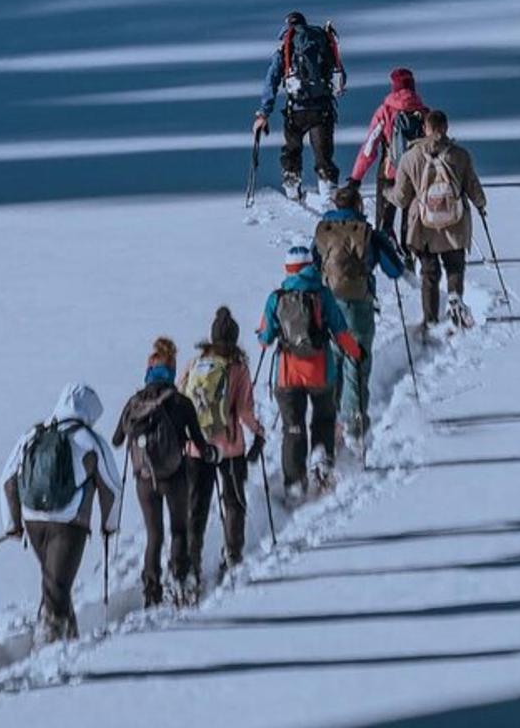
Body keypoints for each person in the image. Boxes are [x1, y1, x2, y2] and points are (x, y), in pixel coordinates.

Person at [0, 383, 122, 644]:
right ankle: (51, 646)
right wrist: (110, 525)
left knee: (54, 582)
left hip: (33, 520)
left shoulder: (32, 435)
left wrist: (13, 524)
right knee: (58, 586)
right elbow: (111, 486)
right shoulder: (89, 439)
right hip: (69, 522)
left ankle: (66, 640)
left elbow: (7, 480)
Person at [112, 338, 219, 606]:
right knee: (179, 529)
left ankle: (151, 590)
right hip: (175, 475)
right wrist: (209, 454)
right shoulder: (181, 402)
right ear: (172, 372)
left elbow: (116, 440)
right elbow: (199, 442)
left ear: (148, 372)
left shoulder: (135, 402)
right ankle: (180, 581)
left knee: (154, 535)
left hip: (144, 480)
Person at [257, 246, 363, 499]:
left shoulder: (276, 297)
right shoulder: (323, 294)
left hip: (287, 374)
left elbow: (265, 339)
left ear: (288, 269)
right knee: (324, 418)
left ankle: (294, 483)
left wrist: (265, 333)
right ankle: (320, 461)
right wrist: (356, 353)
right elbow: (340, 331)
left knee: (292, 427)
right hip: (320, 371)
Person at [178, 307, 266, 583]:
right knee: (233, 502)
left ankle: (192, 565)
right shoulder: (237, 367)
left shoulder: (195, 365)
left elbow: (181, 399)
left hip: (196, 447)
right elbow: (244, 410)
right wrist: (258, 433)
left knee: (197, 507)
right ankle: (232, 555)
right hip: (229, 447)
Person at [313, 185, 404, 447]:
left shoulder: (323, 233)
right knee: (356, 364)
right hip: (358, 309)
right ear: (359, 205)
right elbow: (394, 268)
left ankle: (331, 422)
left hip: (328, 307)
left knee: (333, 363)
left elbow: (313, 262)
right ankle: (354, 424)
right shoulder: (367, 234)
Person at [387, 110, 488, 332]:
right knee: (455, 265)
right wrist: (480, 204)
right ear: (446, 128)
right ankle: (454, 296)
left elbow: (402, 198)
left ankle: (430, 319)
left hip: (423, 224)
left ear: (425, 128)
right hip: (455, 221)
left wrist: (387, 194)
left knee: (429, 272)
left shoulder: (409, 157)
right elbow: (472, 184)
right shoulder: (460, 155)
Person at [253, 11, 347, 203]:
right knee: (323, 155)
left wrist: (264, 113)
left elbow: (271, 82)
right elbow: (340, 76)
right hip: (322, 109)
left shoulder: (286, 49)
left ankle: (292, 187)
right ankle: (328, 193)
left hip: (295, 110)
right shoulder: (322, 42)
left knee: (292, 150)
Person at [342, 67, 429, 264]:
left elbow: (370, 146)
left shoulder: (385, 111)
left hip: (390, 171)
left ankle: (386, 242)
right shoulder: (423, 112)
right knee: (411, 214)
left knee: (385, 215)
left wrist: (356, 178)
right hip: (417, 173)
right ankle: (409, 250)